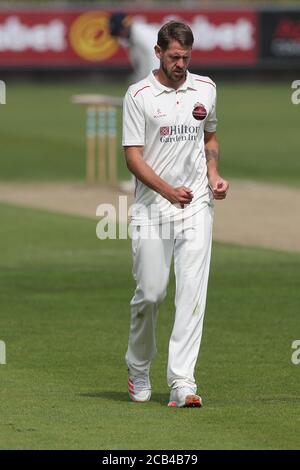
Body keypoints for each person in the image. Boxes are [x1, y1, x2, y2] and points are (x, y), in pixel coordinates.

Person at [122, 21, 229, 408]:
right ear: (158, 53)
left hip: (197, 204)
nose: (180, 64)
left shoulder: (206, 88)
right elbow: (132, 157)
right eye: (173, 57)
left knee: (191, 293)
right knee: (151, 293)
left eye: (185, 57)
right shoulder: (139, 95)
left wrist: (213, 175)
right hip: (153, 207)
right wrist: (167, 190)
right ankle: (137, 367)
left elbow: (210, 135)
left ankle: (183, 381)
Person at [109, 12, 159, 82]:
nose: (119, 36)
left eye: (119, 32)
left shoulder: (141, 33)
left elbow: (156, 56)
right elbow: (142, 65)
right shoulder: (132, 39)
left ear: (126, 26)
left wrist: (153, 82)